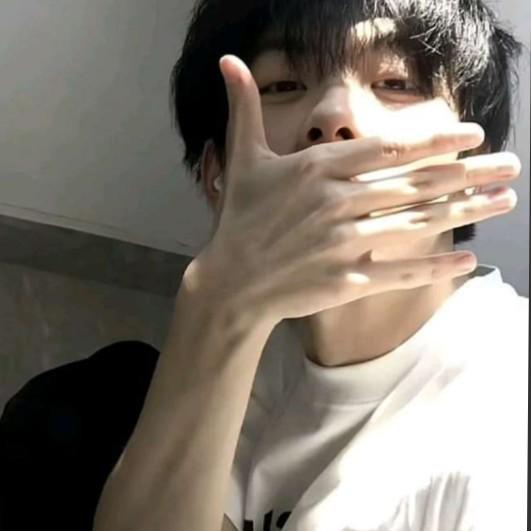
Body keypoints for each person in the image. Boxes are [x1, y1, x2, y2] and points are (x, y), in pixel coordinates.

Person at [0, 1, 527, 530]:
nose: (334, 115)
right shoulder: (246, 367)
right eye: (283, 86)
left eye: (395, 83)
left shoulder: (506, 398)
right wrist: (217, 306)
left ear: (473, 166)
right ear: (219, 175)